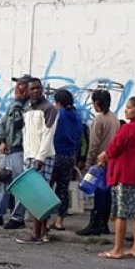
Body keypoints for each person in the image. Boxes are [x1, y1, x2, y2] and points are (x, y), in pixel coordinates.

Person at [96, 97, 135, 259]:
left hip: (125, 175)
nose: (126, 110)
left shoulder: (128, 128)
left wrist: (104, 155)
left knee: (120, 214)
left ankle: (117, 249)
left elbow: (114, 148)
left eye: (129, 108)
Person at [0, 75, 31, 229]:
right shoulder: (13, 104)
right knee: (1, 182)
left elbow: (20, 124)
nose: (17, 88)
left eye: (21, 86)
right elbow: (3, 123)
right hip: (8, 149)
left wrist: (18, 104)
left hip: (20, 150)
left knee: (19, 185)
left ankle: (18, 218)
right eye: (17, 85)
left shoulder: (28, 106)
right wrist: (2, 140)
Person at [16, 78, 58, 244]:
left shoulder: (49, 108)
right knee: (34, 196)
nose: (36, 91)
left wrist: (40, 157)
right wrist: (27, 155)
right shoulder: (27, 108)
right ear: (27, 91)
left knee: (38, 196)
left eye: (38, 88)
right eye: (32, 88)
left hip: (43, 157)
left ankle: (36, 234)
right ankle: (42, 232)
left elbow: (48, 135)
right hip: (30, 156)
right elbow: (26, 133)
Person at [78, 89, 119, 236]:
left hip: (99, 162)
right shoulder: (114, 118)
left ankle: (95, 224)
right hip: (112, 161)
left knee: (97, 193)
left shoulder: (99, 119)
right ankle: (103, 224)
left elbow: (94, 144)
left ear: (96, 103)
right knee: (106, 194)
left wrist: (88, 162)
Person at [51, 89, 84, 230]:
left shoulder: (59, 114)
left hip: (56, 154)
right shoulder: (77, 116)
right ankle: (60, 221)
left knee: (47, 187)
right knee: (63, 189)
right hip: (70, 156)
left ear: (58, 102)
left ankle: (43, 221)